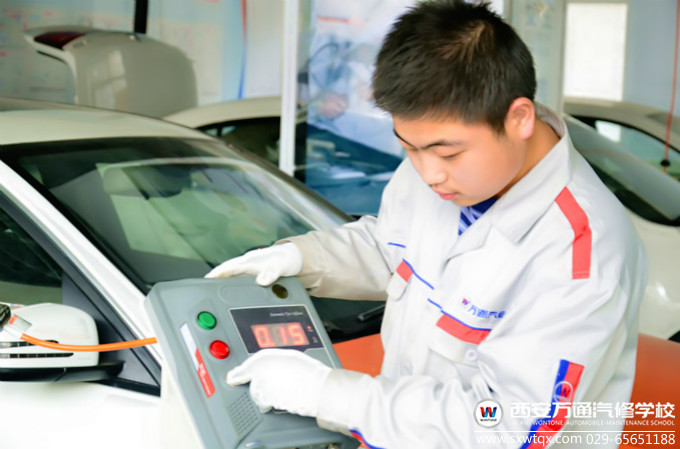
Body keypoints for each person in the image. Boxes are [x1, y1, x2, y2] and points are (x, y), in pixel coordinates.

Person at [206, 1, 647, 448]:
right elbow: (392, 250)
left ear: (519, 119)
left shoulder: (581, 254)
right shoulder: (437, 166)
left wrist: (330, 395)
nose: (428, 173)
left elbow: (510, 428)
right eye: (409, 148)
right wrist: (303, 258)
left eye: (447, 153)